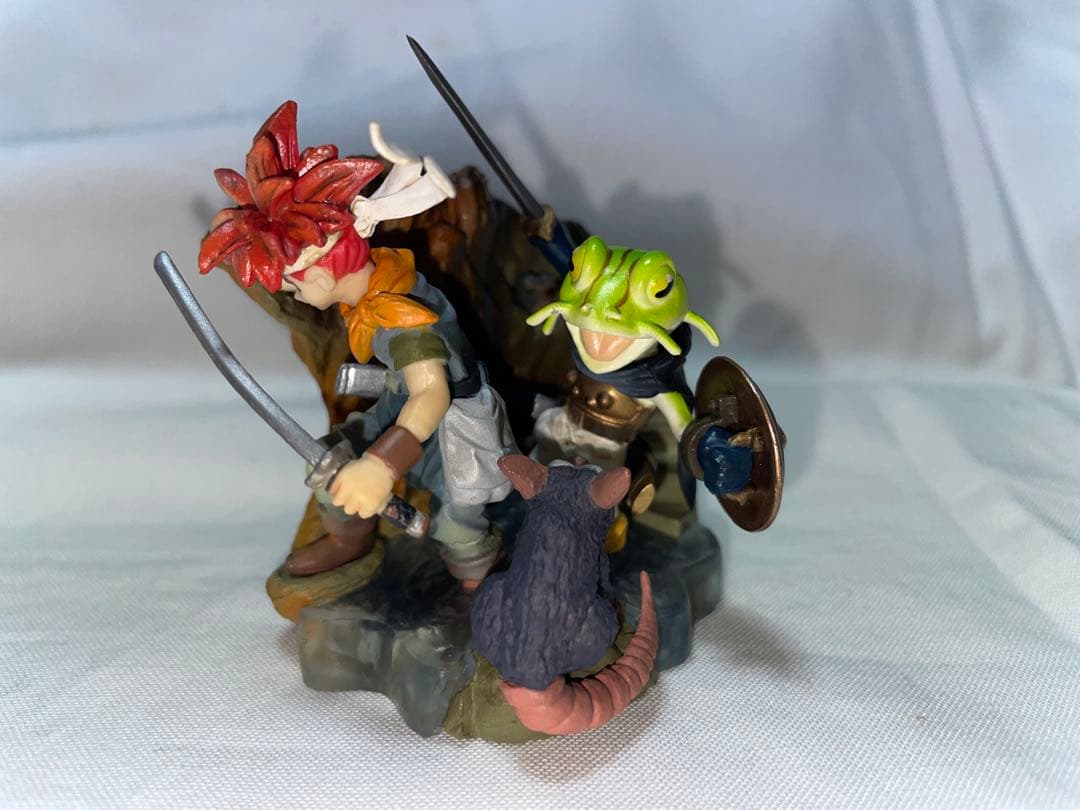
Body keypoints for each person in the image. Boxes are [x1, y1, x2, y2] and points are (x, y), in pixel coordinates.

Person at [198, 101, 515, 585]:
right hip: (399, 403)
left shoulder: (402, 317)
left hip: (456, 428)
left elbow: (433, 394)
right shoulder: (372, 284)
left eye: (294, 286)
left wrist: (380, 469)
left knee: (457, 527)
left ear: (323, 272)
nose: (295, 297)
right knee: (331, 459)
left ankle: (480, 585)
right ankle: (351, 539)